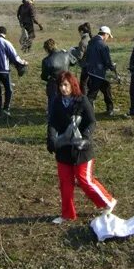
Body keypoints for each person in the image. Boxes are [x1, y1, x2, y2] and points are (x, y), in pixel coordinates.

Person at [47, 72, 116, 224]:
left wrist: (86, 137)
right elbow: (51, 122)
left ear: (73, 85)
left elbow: (92, 121)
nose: (63, 88)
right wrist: (51, 139)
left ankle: (108, 201)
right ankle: (67, 214)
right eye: (61, 85)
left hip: (82, 149)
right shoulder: (56, 102)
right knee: (65, 182)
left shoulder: (82, 100)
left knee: (84, 179)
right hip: (63, 149)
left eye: (66, 85)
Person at [0, 26, 28, 119]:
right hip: (4, 70)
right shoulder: (6, 42)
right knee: (9, 90)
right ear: (5, 33)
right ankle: (6, 108)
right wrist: (23, 62)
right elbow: (15, 57)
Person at [85, 26, 117, 116]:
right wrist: (112, 66)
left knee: (106, 90)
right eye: (108, 36)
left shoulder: (91, 42)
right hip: (99, 73)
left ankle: (110, 109)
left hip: (91, 71)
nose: (108, 38)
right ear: (105, 34)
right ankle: (87, 113)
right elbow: (107, 60)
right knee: (91, 95)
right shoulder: (103, 45)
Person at [41, 39, 77, 118]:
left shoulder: (46, 61)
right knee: (67, 98)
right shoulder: (65, 54)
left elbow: (43, 77)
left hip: (54, 83)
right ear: (55, 45)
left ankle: (52, 116)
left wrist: (49, 78)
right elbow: (74, 62)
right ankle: (69, 115)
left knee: (52, 101)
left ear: (46, 49)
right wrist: (68, 53)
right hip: (66, 81)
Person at [75, 22, 92, 94]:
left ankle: (85, 100)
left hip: (85, 65)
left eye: (79, 32)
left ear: (82, 31)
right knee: (89, 83)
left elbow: (79, 56)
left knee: (83, 84)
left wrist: (74, 52)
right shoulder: (91, 38)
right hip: (92, 64)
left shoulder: (82, 42)